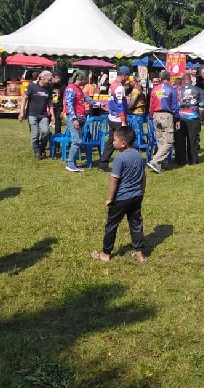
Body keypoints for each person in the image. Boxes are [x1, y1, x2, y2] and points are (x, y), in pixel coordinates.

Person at [90, 126, 147, 264]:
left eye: (114, 140)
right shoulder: (139, 156)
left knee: (111, 225)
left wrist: (110, 198)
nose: (112, 141)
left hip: (121, 198)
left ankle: (105, 254)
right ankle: (139, 254)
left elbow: (114, 180)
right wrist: (142, 192)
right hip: (136, 196)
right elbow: (144, 177)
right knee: (136, 224)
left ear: (123, 143)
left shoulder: (119, 159)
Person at [97, 66, 130, 172]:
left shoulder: (112, 85)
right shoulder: (119, 88)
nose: (128, 78)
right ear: (123, 75)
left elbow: (112, 101)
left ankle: (103, 164)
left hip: (111, 117)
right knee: (125, 141)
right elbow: (120, 105)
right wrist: (123, 121)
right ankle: (127, 163)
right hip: (118, 119)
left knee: (111, 141)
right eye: (128, 76)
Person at [147, 70, 179, 174]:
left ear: (160, 79)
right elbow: (175, 106)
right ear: (169, 78)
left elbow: (151, 104)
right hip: (166, 115)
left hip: (156, 115)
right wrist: (177, 119)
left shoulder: (155, 89)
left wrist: (152, 115)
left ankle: (160, 165)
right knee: (168, 141)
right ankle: (155, 161)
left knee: (160, 140)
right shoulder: (172, 90)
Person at [63, 70, 94, 172]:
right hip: (73, 118)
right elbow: (69, 105)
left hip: (80, 118)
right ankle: (70, 164)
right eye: (86, 79)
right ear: (81, 79)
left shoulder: (79, 89)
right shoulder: (70, 89)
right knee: (77, 141)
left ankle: (73, 163)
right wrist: (74, 119)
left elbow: (87, 99)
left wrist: (99, 104)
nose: (87, 82)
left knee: (78, 141)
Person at [19, 70, 53, 161]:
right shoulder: (32, 86)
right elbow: (24, 99)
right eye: (49, 80)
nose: (50, 82)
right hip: (32, 114)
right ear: (42, 78)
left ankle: (42, 147)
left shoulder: (49, 88)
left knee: (46, 132)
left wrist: (52, 115)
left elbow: (50, 103)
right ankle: (37, 151)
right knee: (35, 134)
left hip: (43, 115)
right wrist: (22, 112)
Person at [175, 73, 204, 165]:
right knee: (193, 140)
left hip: (180, 118)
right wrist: (200, 117)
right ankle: (193, 160)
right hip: (193, 118)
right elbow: (202, 106)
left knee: (180, 140)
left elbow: (174, 106)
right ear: (191, 80)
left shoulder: (177, 91)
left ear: (183, 81)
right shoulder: (199, 90)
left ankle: (180, 160)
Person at [50, 70, 64, 134]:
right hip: (49, 107)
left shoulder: (62, 86)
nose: (59, 79)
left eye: (60, 77)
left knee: (58, 123)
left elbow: (63, 98)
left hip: (58, 107)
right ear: (53, 77)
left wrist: (62, 110)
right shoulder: (48, 85)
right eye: (58, 77)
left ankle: (57, 138)